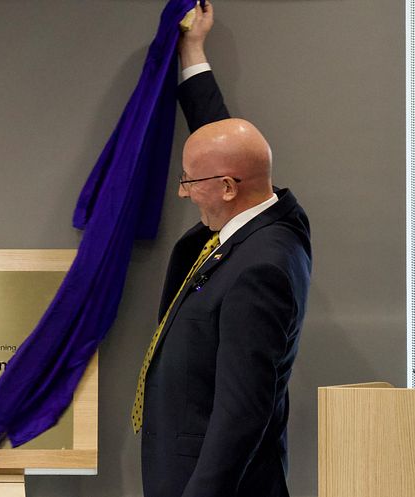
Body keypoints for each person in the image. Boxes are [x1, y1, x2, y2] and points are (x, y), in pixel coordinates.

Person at [133, 2, 313, 497]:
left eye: (190, 182)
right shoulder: (258, 216)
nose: (184, 192)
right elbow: (226, 145)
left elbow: (242, 412)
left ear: (230, 187)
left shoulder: (264, 268)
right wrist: (193, 52)